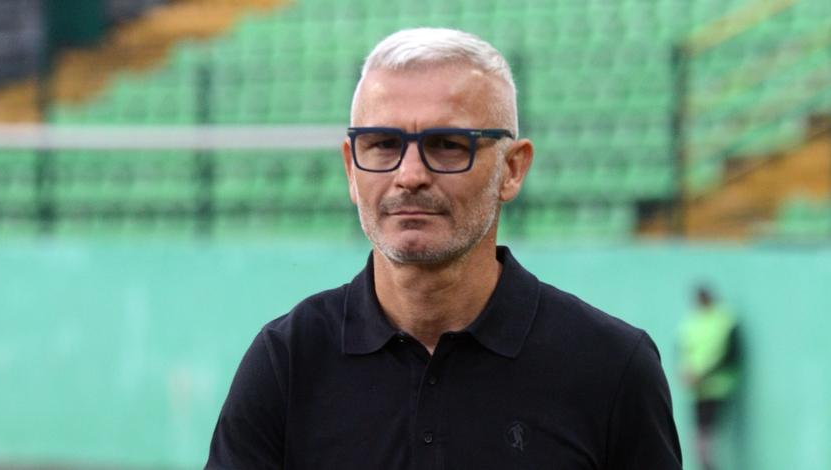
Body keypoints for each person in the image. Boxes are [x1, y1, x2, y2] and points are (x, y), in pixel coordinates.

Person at [207, 27, 682, 469]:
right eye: (383, 144)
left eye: (449, 145)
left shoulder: (611, 367)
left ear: (512, 169)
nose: (410, 175)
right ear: (351, 169)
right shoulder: (287, 364)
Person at [679, 286, 740, 470]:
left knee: (708, 440)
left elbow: (731, 355)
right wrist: (687, 374)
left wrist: (702, 375)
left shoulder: (725, 320)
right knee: (701, 440)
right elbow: (684, 351)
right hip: (698, 390)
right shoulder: (692, 321)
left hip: (718, 388)